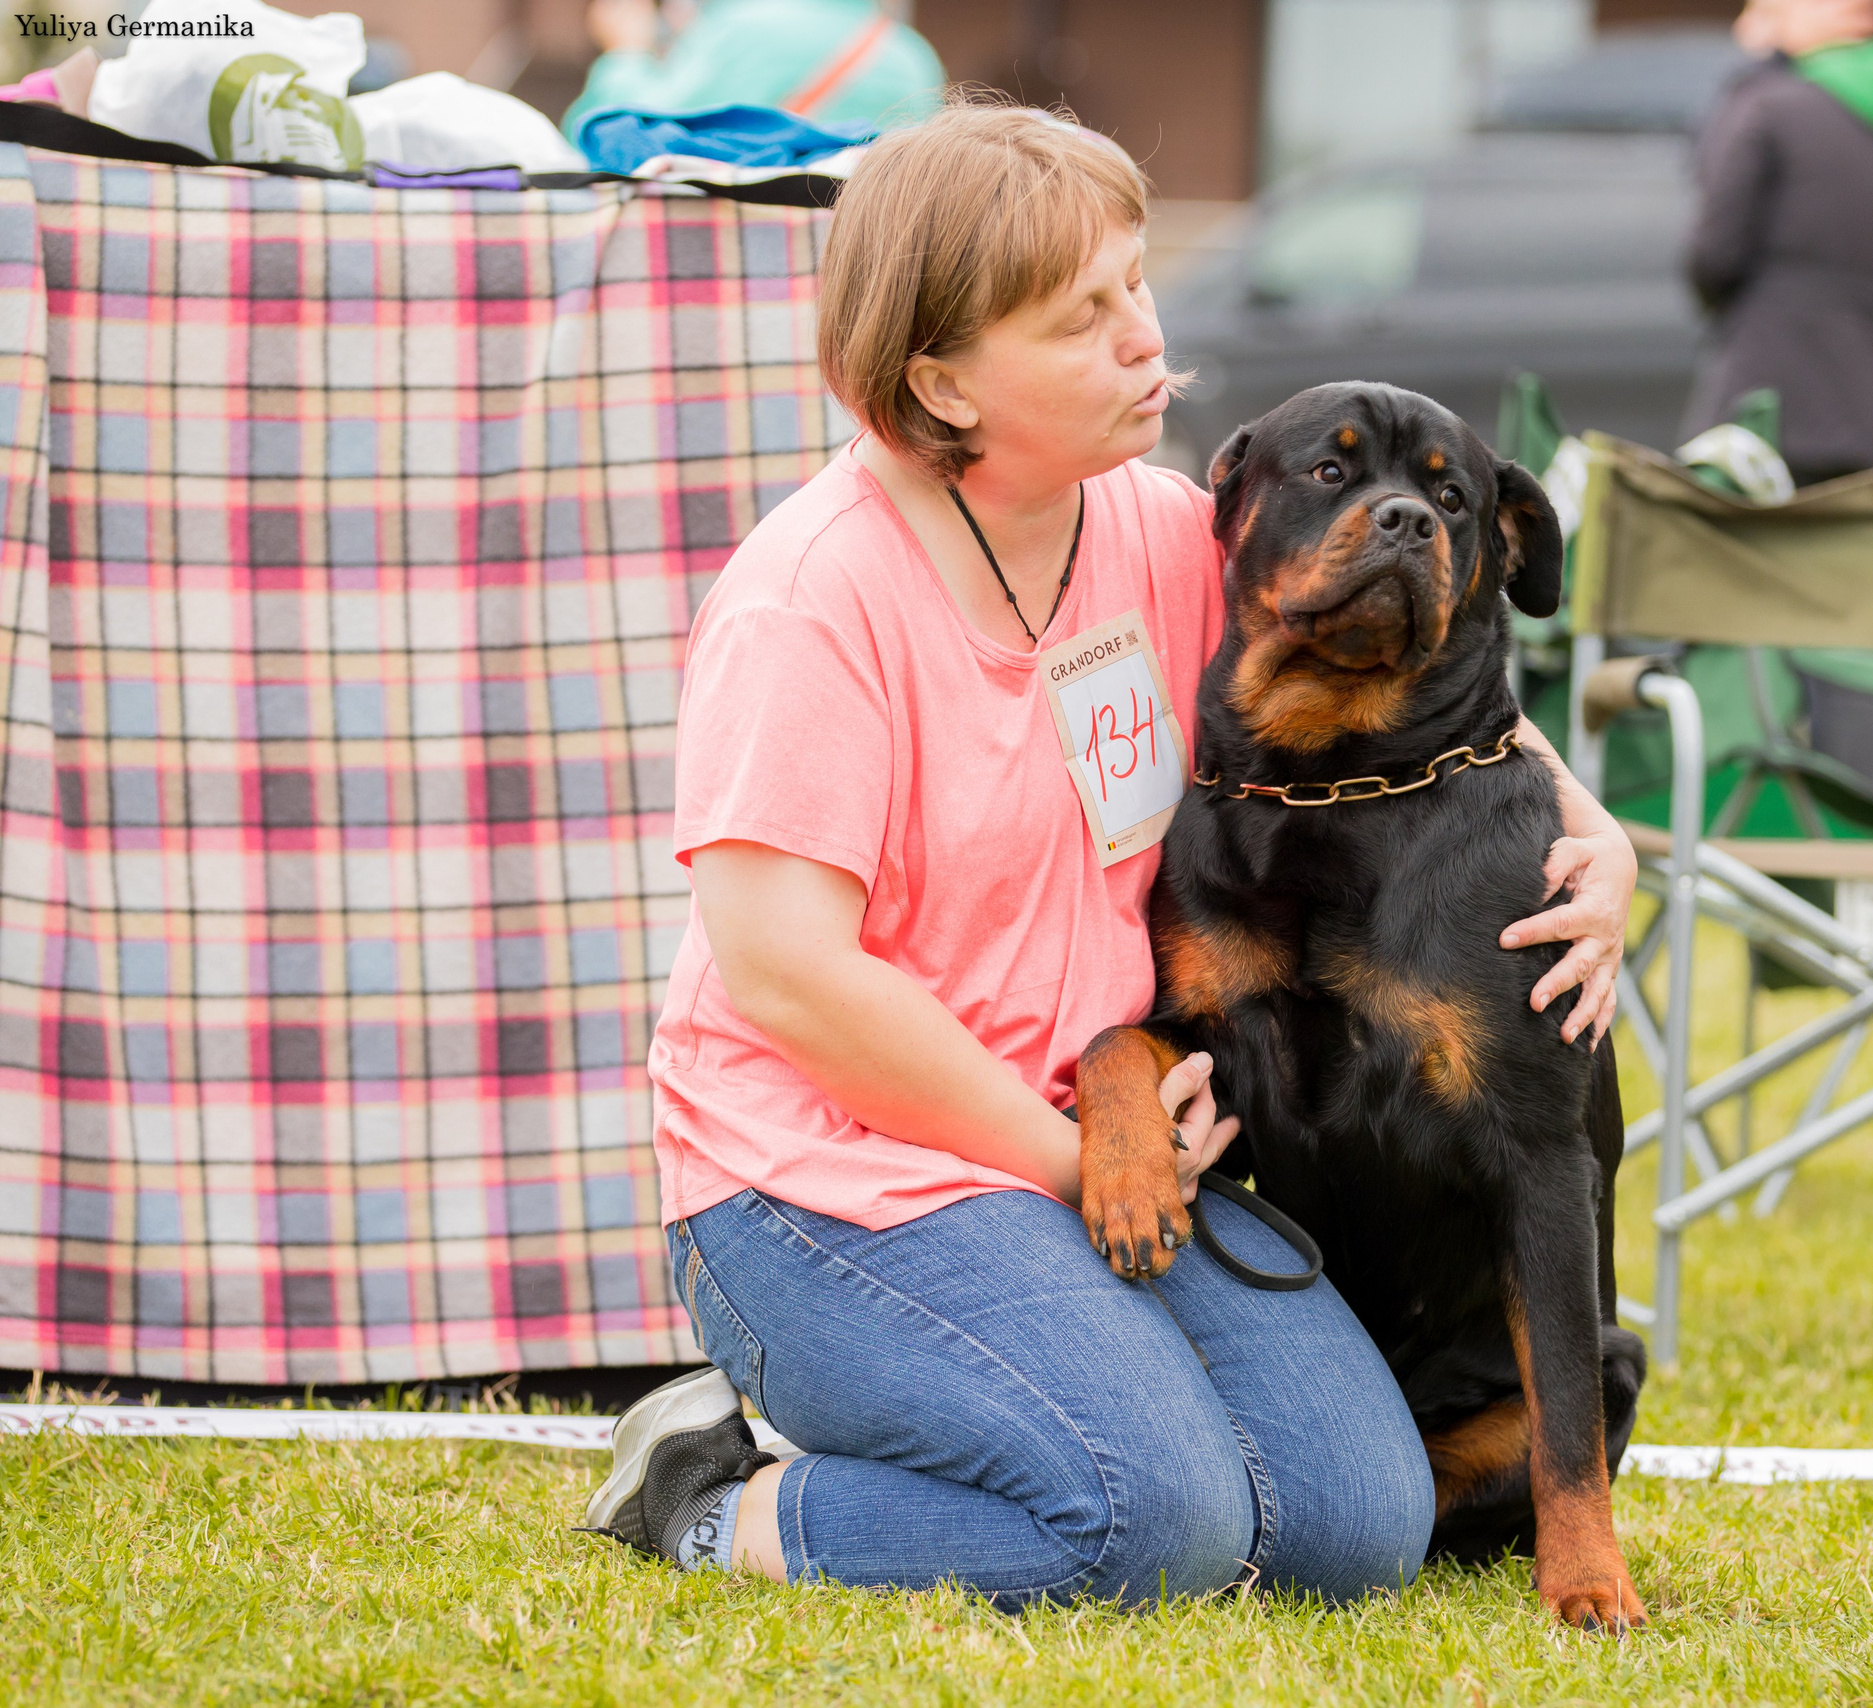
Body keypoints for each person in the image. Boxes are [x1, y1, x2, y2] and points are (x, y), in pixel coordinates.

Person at [582, 103, 1641, 1611]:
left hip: (1120, 1157)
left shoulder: (1162, 534)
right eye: (1083, 317)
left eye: (1137, 285)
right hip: (835, 1185)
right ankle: (705, 1498)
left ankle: (1054, 1421)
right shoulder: (810, 603)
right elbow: (788, 976)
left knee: (1356, 1528)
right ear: (941, 374)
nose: (1145, 337)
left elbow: (1439, 709)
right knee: (1158, 1526)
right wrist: (1073, 1160)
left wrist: (1601, 845)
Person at [1686, 0, 1873, 789]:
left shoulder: (1770, 106)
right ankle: (1852, 841)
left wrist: (1757, 65)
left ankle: (1750, 839)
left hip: (1762, 408)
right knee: (1854, 647)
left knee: (1738, 635)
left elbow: (1712, 253)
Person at [565, 0, 944, 141]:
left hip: (754, 267)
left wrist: (626, 51)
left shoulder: (741, 26)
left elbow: (615, 130)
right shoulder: (913, 54)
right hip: (868, 272)